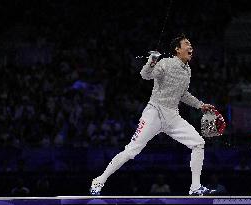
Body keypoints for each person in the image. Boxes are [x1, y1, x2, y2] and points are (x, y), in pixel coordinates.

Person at [90, 34, 216, 196]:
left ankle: (195, 187)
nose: (190, 47)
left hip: (172, 116)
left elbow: (183, 94)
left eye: (191, 44)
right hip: (154, 112)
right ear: (177, 49)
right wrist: (152, 61)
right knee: (131, 151)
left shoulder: (188, 71)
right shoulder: (165, 63)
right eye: (187, 44)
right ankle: (99, 180)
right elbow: (145, 75)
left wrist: (200, 105)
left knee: (198, 143)